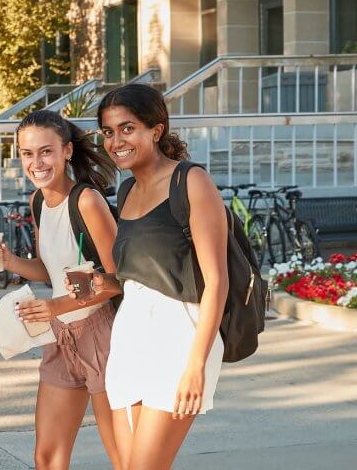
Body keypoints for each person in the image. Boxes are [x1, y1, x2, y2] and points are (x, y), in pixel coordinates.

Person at [0, 110, 123, 470]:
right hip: (60, 339)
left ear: (67, 152)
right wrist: (10, 260)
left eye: (46, 151)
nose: (36, 162)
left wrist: (56, 306)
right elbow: (50, 271)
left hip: (101, 337)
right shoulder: (39, 202)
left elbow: (119, 280)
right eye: (28, 154)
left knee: (125, 459)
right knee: (47, 458)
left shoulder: (87, 201)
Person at [96, 84, 228, 470]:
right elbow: (137, 275)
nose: (116, 140)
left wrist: (196, 364)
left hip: (180, 333)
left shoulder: (190, 182)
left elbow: (216, 280)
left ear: (156, 130)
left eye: (127, 128)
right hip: (131, 332)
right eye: (108, 131)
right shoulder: (125, 191)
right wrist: (101, 284)